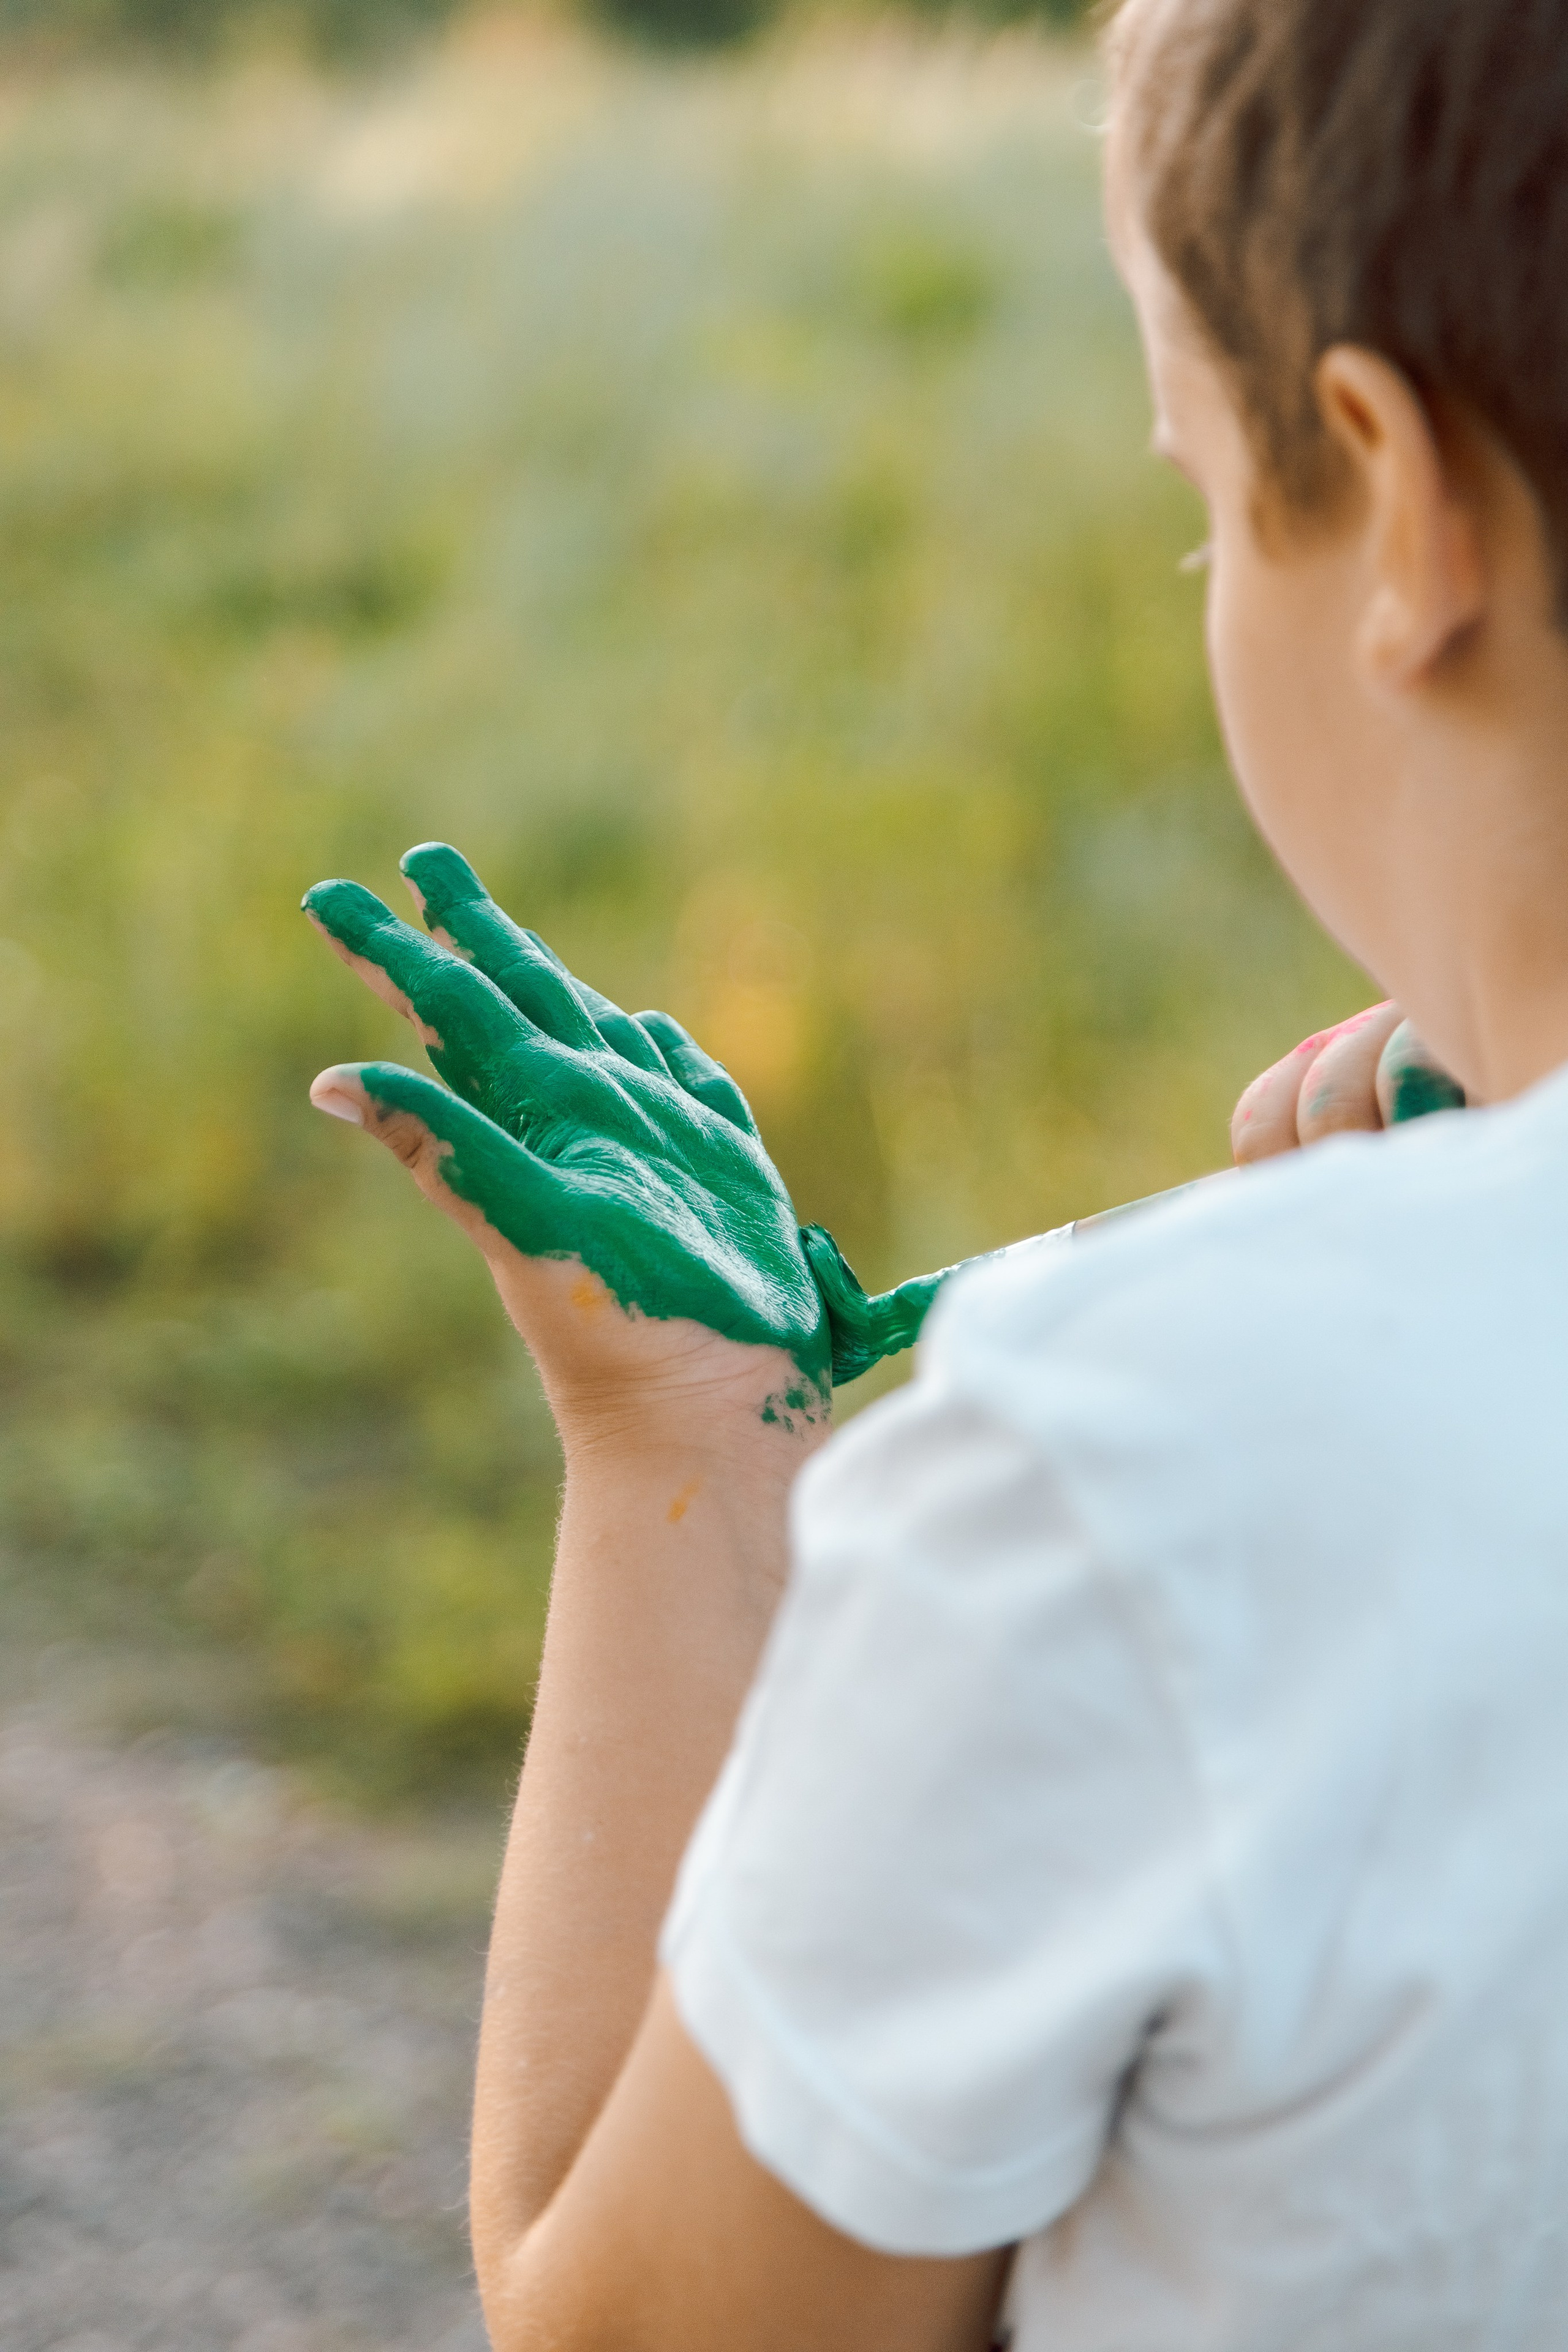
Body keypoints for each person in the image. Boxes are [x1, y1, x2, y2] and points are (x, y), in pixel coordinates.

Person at [301, 0, 1568, 2342]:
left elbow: (630, 2323)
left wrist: (666, 1450)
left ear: (1399, 506)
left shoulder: (1146, 1465)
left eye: (1206, 502)